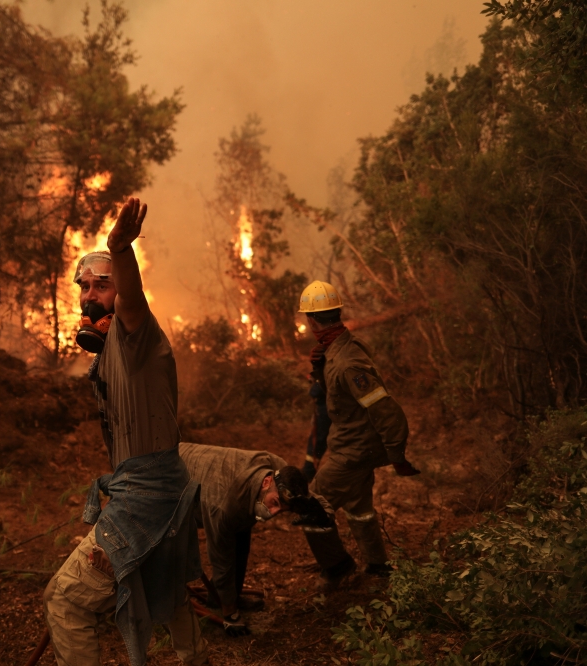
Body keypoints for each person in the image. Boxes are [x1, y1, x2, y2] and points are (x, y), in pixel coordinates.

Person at [42, 198, 207, 666]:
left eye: (103, 285)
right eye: (84, 286)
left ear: (121, 291)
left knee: (66, 601)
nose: (90, 295)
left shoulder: (136, 334)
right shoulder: (109, 349)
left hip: (148, 496)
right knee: (168, 585)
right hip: (156, 489)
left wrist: (121, 250)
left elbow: (132, 300)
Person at [297, 280, 422, 589]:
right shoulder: (341, 350)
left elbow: (384, 407)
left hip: (352, 451)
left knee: (312, 508)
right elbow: (339, 401)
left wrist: (397, 454)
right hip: (353, 446)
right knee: (359, 506)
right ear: (337, 312)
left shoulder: (347, 362)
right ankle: (378, 566)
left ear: (311, 320)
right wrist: (319, 371)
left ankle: (337, 568)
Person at [178, 442, 334, 637]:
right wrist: (230, 615)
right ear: (266, 483)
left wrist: (325, 513)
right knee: (224, 549)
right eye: (275, 503)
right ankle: (223, 604)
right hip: (175, 477)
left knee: (242, 538)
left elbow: (308, 495)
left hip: (224, 484)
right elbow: (221, 559)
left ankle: (226, 596)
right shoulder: (223, 503)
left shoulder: (278, 468)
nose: (274, 513)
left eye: (282, 510)